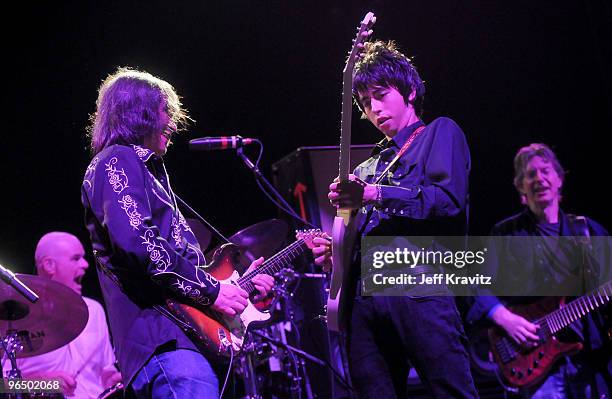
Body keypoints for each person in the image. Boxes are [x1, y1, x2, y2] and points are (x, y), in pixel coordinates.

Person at [80, 67, 274, 398]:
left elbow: (178, 265)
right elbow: (142, 247)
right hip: (163, 341)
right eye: (164, 110)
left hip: (186, 342)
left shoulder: (148, 172)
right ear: (139, 113)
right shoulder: (116, 161)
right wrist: (214, 292)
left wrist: (236, 286)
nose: (171, 120)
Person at [312, 41, 478, 398]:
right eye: (364, 101)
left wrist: (375, 194)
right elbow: (352, 240)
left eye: (381, 94)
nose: (373, 108)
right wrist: (337, 252)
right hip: (363, 303)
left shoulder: (439, 133)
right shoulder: (364, 168)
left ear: (410, 91)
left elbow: (447, 202)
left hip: (419, 286)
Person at [467, 143, 611, 398]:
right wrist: (504, 318)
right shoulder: (506, 233)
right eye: (530, 174)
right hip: (534, 366)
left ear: (559, 179)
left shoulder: (587, 231)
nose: (539, 179)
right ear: (520, 186)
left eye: (545, 171)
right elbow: (476, 284)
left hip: (590, 362)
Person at [1, 231, 122, 398]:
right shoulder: (14, 316)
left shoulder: (94, 310)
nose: (86, 264)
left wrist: (114, 378)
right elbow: (3, 385)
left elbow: (105, 370)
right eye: (76, 258)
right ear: (49, 265)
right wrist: (46, 383)